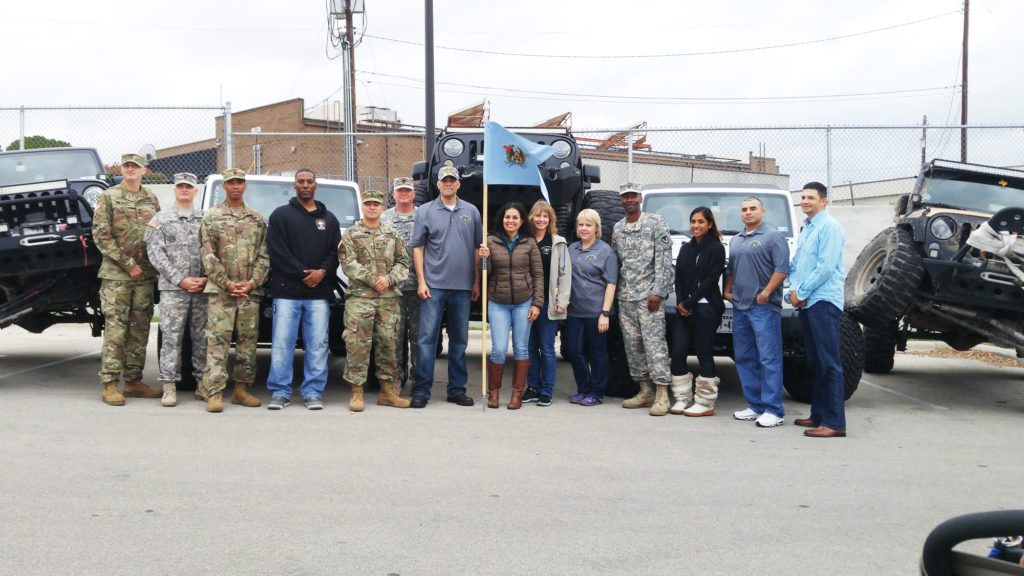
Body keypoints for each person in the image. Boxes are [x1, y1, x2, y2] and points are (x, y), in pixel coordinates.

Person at [264, 169, 341, 411]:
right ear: (294, 185)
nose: (305, 185)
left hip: (318, 294)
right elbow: (277, 252)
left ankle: (313, 390)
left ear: (316, 185)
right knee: (282, 344)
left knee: (318, 345)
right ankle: (280, 391)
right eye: (301, 182)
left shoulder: (329, 219)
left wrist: (322, 272)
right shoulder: (280, 216)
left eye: (309, 182)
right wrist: (302, 273)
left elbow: (335, 253)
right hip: (286, 293)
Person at [408, 165, 483, 408]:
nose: (448, 183)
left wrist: (476, 281)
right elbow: (417, 247)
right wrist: (421, 280)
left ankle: (456, 390)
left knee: (459, 340)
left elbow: (476, 249)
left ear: (459, 184)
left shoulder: (471, 211)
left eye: (453, 180)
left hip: (462, 288)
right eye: (444, 180)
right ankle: (421, 390)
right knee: (427, 339)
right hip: (433, 286)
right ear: (438, 184)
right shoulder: (426, 212)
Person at [93, 152, 163, 406]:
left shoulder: (151, 198)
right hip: (117, 277)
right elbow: (101, 236)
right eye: (127, 166)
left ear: (144, 171)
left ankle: (133, 381)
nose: (131, 169)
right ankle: (110, 383)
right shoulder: (109, 197)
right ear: (121, 170)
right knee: (116, 329)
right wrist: (128, 264)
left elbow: (157, 233)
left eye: (136, 166)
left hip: (144, 277)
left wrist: (156, 266)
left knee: (139, 329)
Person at [199, 168, 270, 413]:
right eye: (231, 183)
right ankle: (214, 391)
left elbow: (264, 256)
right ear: (224, 187)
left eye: (240, 182)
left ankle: (241, 390)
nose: (236, 186)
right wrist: (227, 284)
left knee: (248, 343)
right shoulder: (212, 217)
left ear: (245, 185)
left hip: (249, 292)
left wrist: (252, 283)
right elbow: (208, 255)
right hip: (222, 293)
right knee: (217, 342)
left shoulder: (256, 219)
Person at [339, 189, 412, 411]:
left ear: (382, 208)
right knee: (358, 345)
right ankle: (357, 392)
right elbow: (348, 263)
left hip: (387, 300)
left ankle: (387, 392)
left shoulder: (391, 234)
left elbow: (403, 263)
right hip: (360, 300)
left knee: (388, 345)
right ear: (363, 207)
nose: (372, 207)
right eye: (368, 204)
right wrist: (373, 280)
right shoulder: (351, 235)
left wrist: (388, 280)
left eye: (376, 204)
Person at [788, 182, 848, 438]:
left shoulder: (829, 227)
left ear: (823, 201)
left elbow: (825, 267)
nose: (805, 201)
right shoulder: (808, 228)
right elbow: (797, 264)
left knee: (829, 363)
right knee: (815, 362)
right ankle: (818, 415)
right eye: (802, 197)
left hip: (823, 301)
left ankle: (834, 423)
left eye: (811, 197)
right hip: (807, 301)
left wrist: (800, 293)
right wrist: (794, 290)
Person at [724, 197, 790, 428]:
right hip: (740, 308)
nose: (748, 212)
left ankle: (774, 409)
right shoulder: (737, 240)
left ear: (762, 211)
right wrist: (728, 290)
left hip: (763, 307)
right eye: (744, 209)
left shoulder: (773, 237)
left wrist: (766, 293)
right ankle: (755, 405)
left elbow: (782, 269)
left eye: (753, 208)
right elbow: (730, 268)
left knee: (768, 358)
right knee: (744, 357)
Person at [144, 172, 208, 407]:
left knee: (202, 338)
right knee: (171, 338)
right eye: (180, 186)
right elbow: (155, 253)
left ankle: (202, 384)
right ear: (174, 190)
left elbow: (216, 250)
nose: (184, 190)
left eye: (188, 186)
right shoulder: (160, 219)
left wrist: (207, 278)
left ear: (195, 191)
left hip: (202, 289)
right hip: (173, 290)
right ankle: (169, 386)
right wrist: (180, 279)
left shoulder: (206, 219)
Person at [612, 183, 674, 416]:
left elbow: (664, 259)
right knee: (633, 345)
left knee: (655, 344)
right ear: (621, 201)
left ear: (640, 198)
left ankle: (662, 395)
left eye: (632, 196)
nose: (629, 200)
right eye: (625, 196)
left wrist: (658, 291)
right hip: (626, 295)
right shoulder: (618, 228)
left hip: (649, 297)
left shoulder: (656, 222)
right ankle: (645, 390)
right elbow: (617, 261)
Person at [477, 203, 544, 409]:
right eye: (507, 217)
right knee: (498, 349)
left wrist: (537, 303)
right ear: (502, 219)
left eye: (515, 217)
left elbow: (538, 274)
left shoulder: (530, 243)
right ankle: (493, 393)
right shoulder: (490, 241)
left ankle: (517, 394)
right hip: (498, 302)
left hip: (524, 302)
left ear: (521, 221)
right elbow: (484, 274)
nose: (511, 221)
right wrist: (483, 259)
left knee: (521, 349)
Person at [669, 206, 726, 416]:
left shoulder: (717, 249)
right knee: (677, 353)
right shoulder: (685, 248)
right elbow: (679, 278)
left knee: (704, 353)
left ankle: (705, 402)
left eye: (701, 221)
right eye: (693, 221)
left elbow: (711, 280)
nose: (696, 225)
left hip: (707, 308)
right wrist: (682, 302)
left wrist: (690, 303)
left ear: (709, 224)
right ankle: (682, 397)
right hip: (684, 308)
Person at [564, 209, 617, 406]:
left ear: (597, 228)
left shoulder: (606, 251)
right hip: (574, 312)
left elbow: (611, 284)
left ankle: (596, 392)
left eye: (588, 225)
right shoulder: (571, 249)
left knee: (597, 353)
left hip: (596, 313)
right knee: (573, 350)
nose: (584, 228)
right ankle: (583, 388)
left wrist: (605, 313)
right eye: (581, 225)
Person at [523, 200, 571, 407]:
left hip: (549, 304)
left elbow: (565, 274)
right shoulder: (525, 240)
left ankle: (546, 390)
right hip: (527, 302)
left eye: (545, 216)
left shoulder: (558, 242)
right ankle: (532, 387)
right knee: (529, 348)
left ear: (550, 219)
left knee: (547, 348)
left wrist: (562, 301)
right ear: (531, 218)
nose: (541, 219)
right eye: (538, 215)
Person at [380, 177, 419, 389]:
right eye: (399, 191)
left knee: (418, 338)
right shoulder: (384, 217)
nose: (403, 194)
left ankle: (417, 382)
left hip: (417, 287)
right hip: (392, 289)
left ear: (413, 194)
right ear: (393, 194)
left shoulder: (423, 215)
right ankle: (396, 380)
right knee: (394, 338)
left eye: (407, 191)